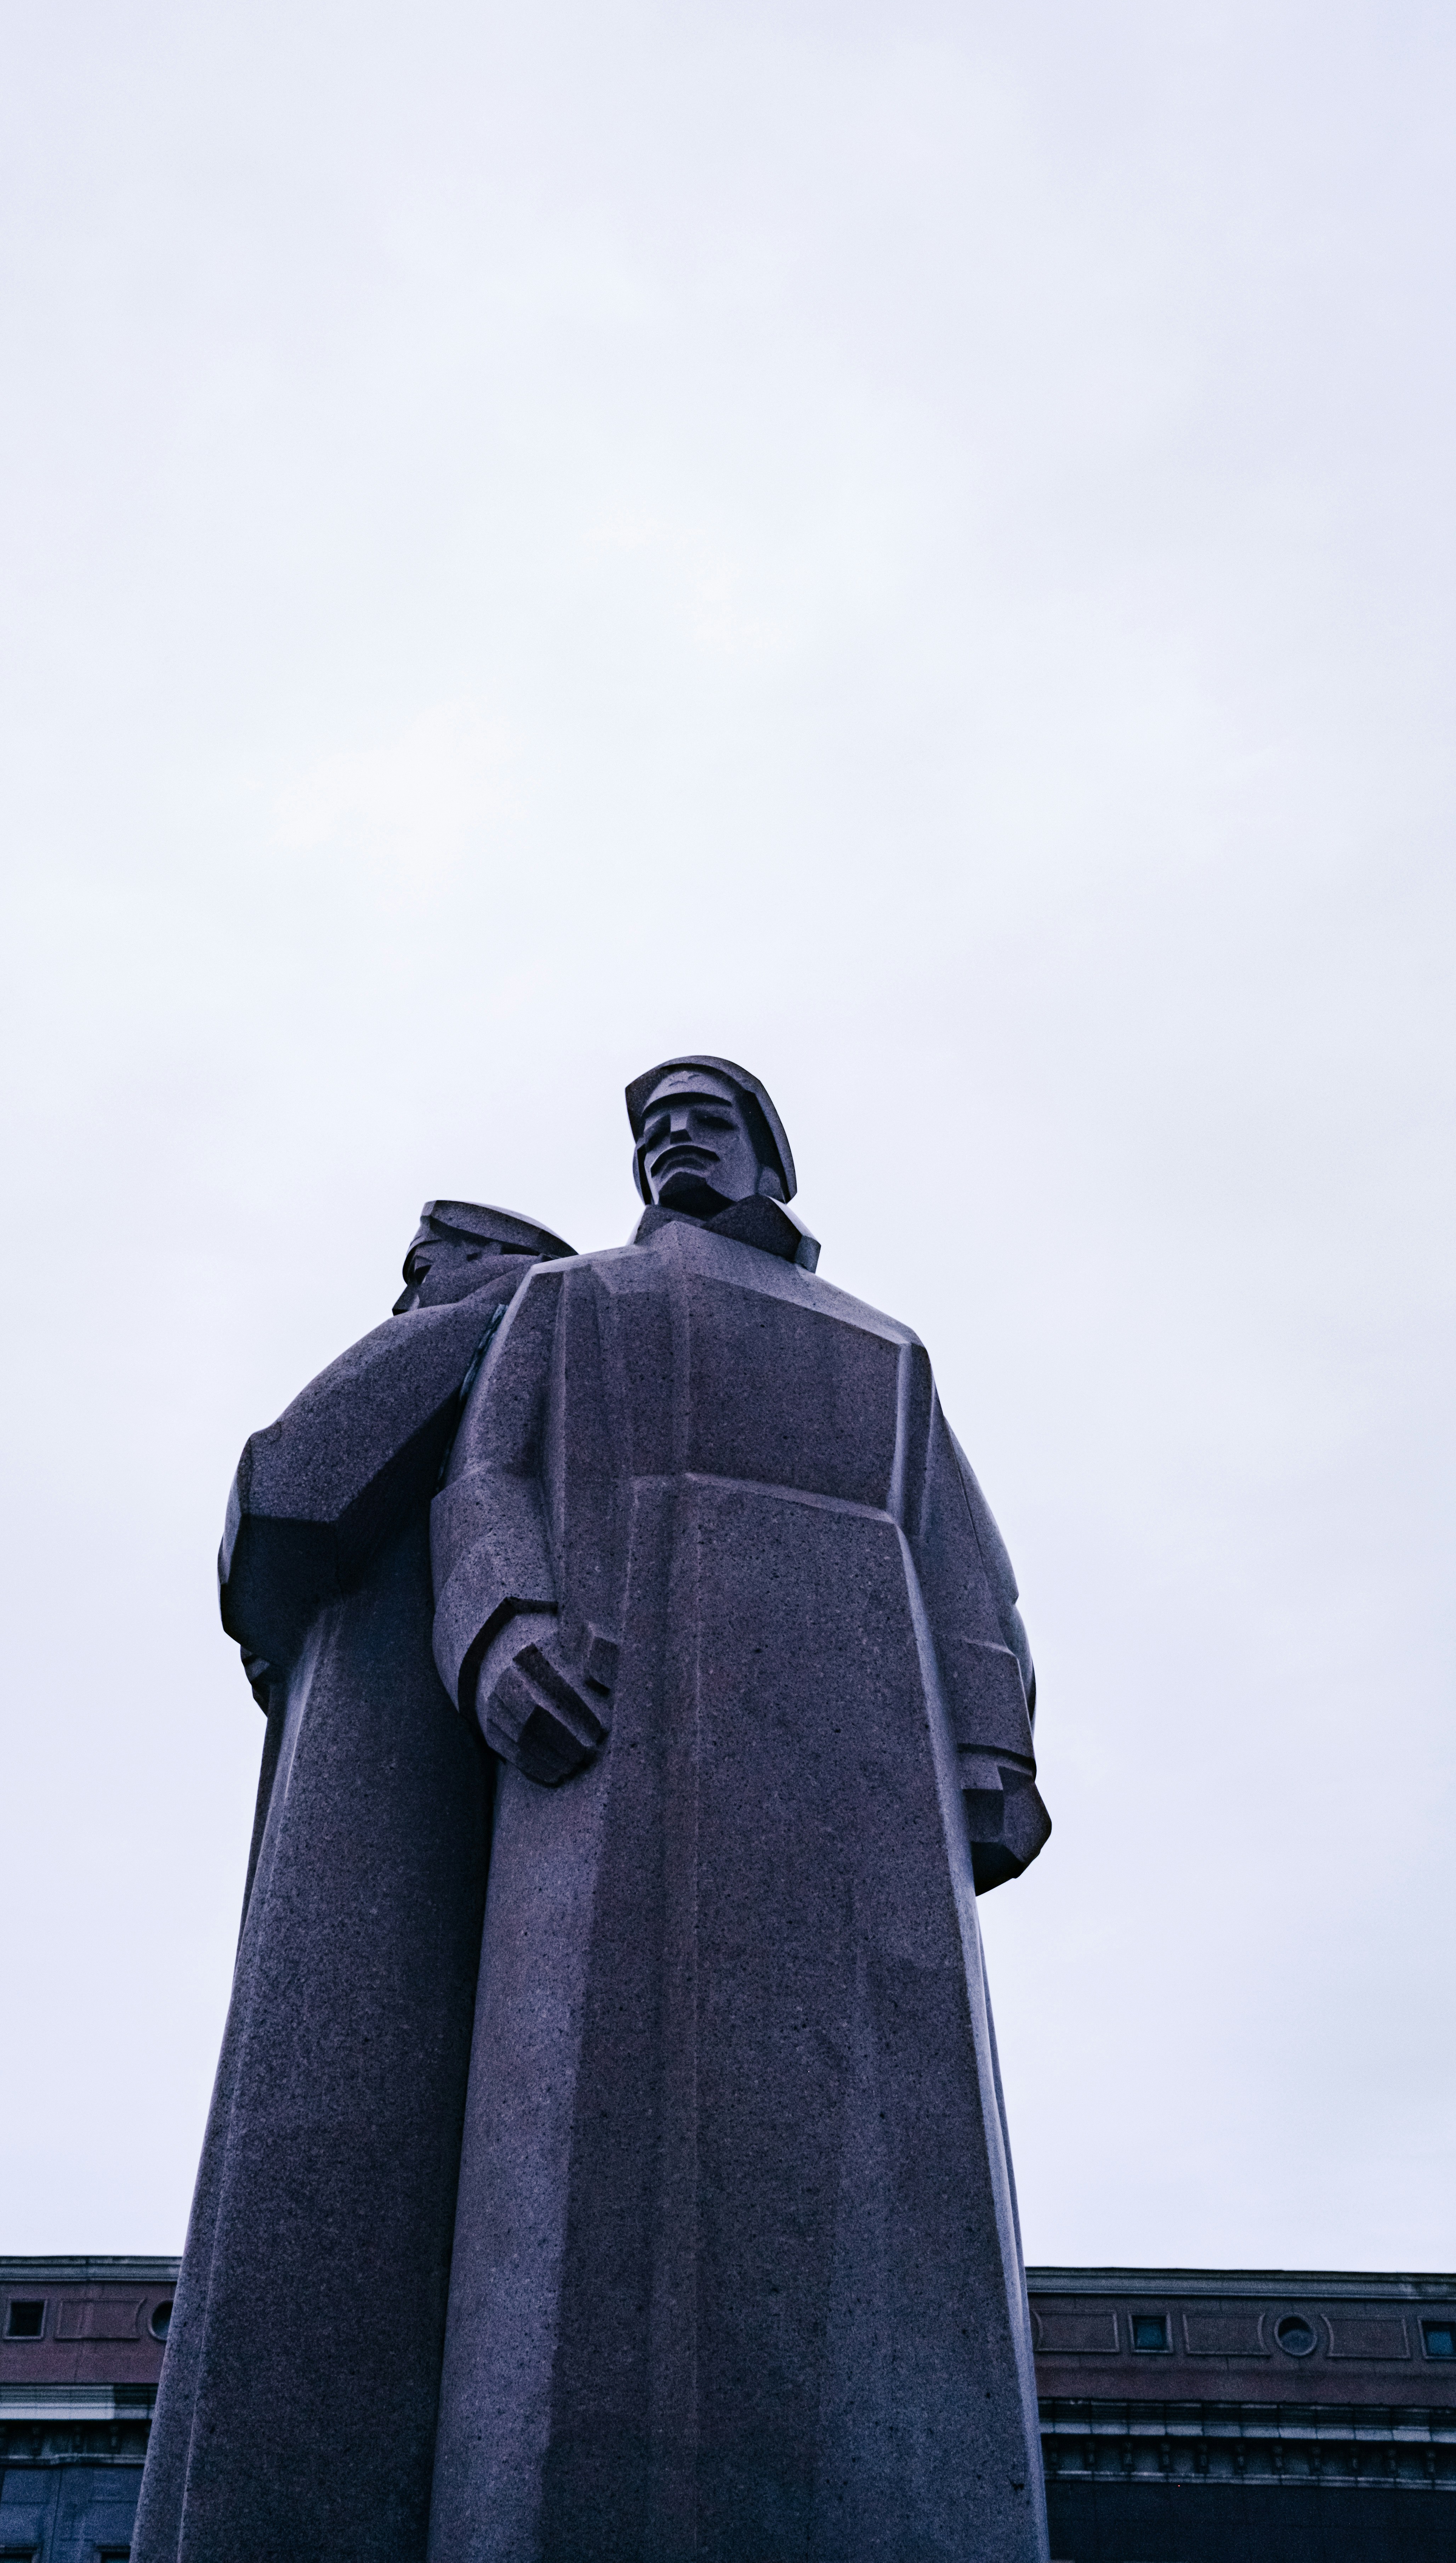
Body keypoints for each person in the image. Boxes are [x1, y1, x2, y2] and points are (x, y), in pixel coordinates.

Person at [427, 1061, 1051, 2563]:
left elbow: (957, 1554)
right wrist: (506, 1631)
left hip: (864, 1757)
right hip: (624, 1719)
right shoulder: (573, 1304)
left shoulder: (886, 1350)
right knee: (595, 2159)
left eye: (703, 1115)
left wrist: (992, 1745)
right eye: (650, 1126)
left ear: (768, 1149)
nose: (670, 1139)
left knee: (897, 2175)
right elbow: (484, 1479)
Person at [133, 1199, 575, 2563]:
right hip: (406, 1736)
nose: (410, 1285)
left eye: (429, 1263)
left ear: (496, 1264)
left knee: (324, 2110)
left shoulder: (488, 1327)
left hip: (392, 1746)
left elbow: (289, 1492)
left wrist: (445, 1325)